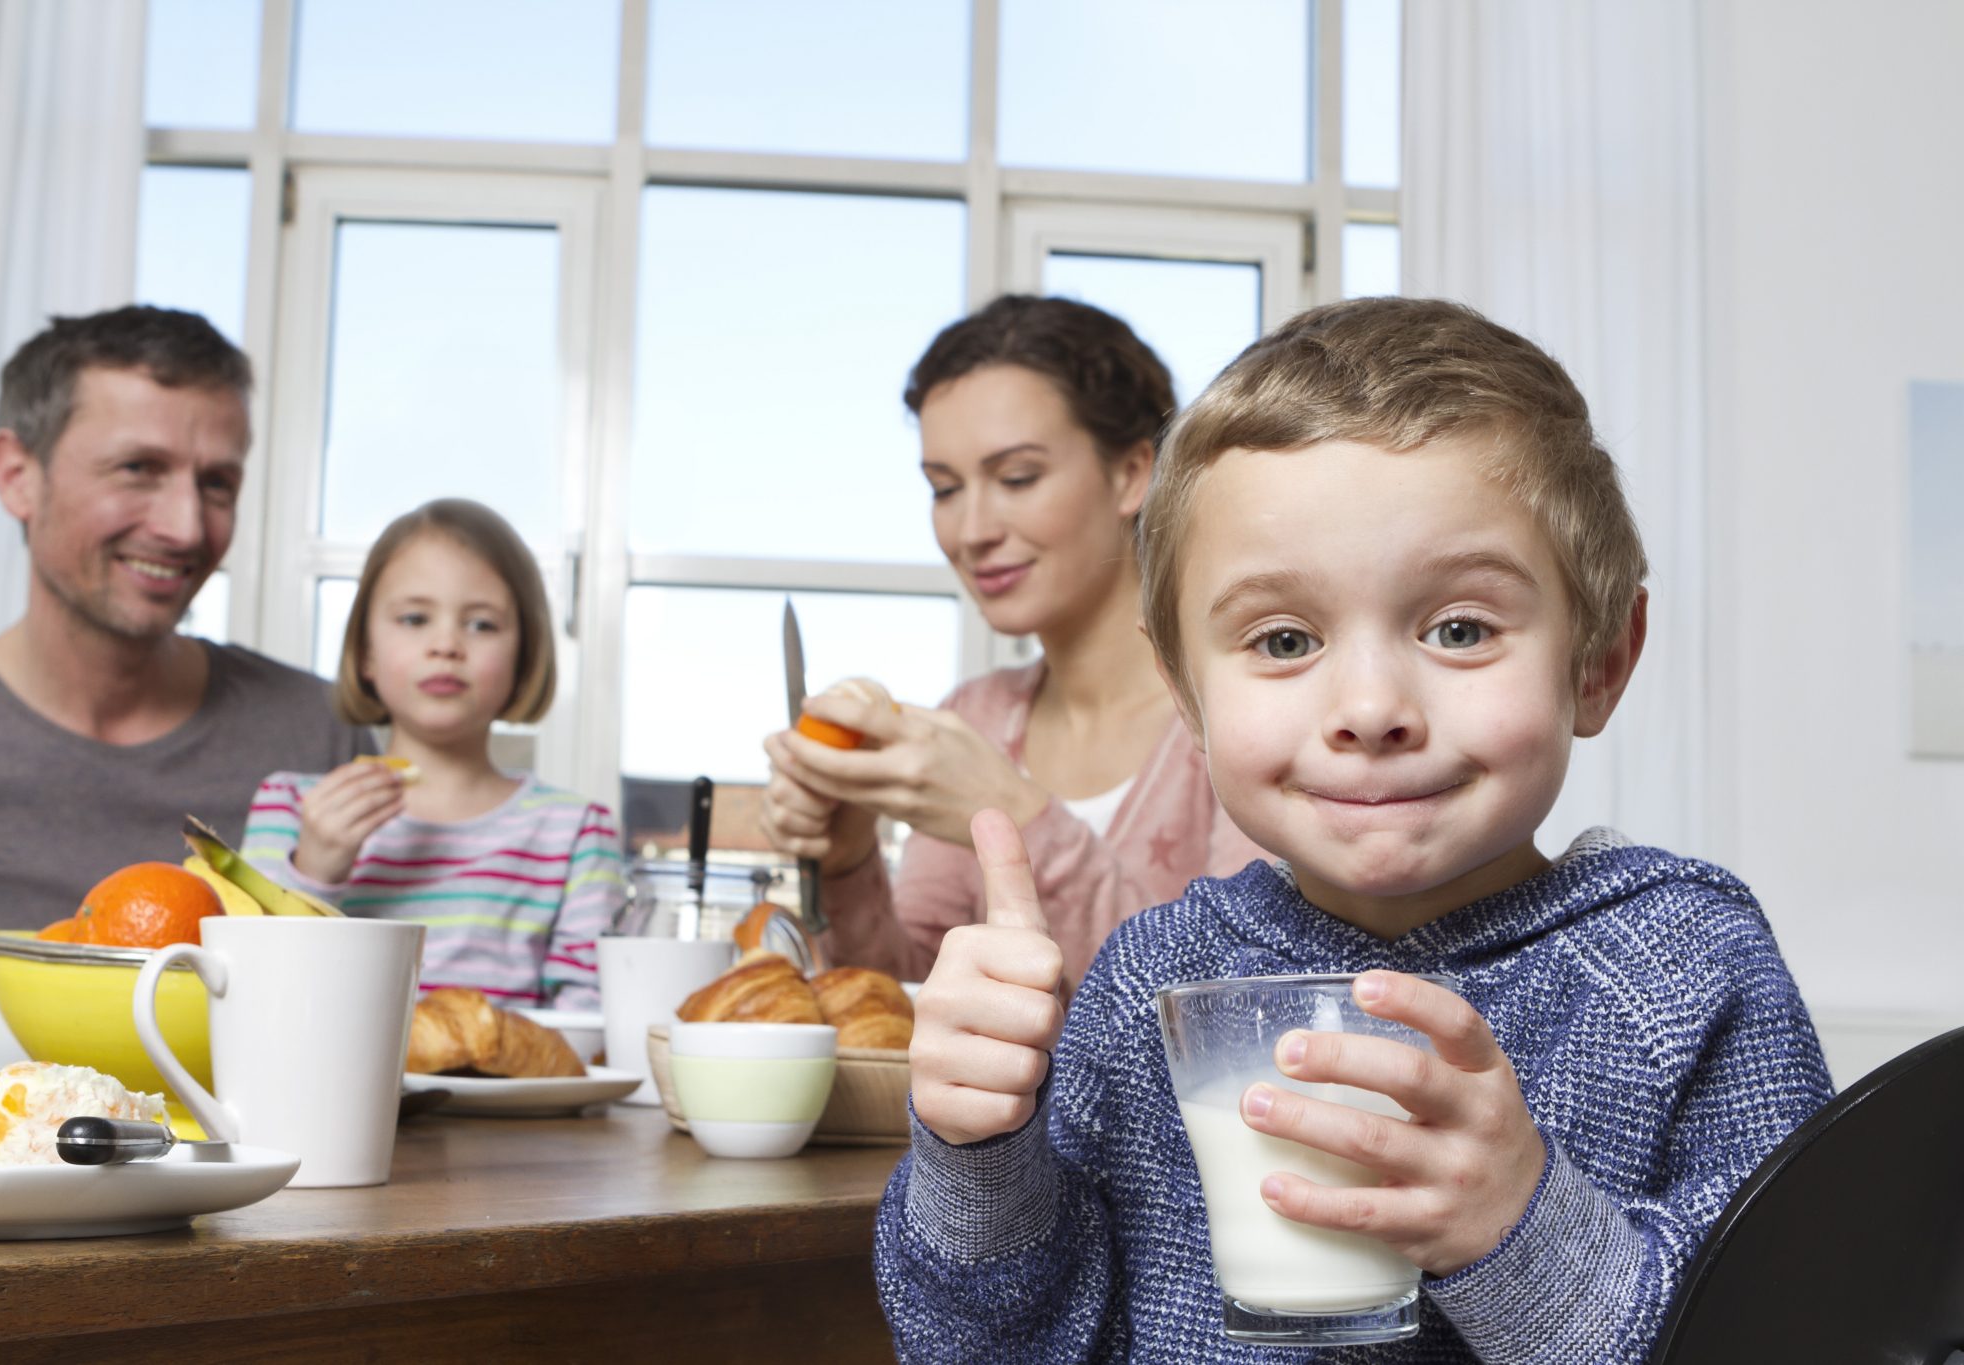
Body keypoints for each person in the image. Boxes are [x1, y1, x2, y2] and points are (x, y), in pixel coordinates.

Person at [872, 298, 1834, 1362]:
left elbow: (1796, 1331)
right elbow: (990, 1347)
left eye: (1457, 629)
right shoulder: (1150, 978)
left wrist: (1521, 1228)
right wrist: (977, 1157)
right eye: (1283, 639)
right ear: (1187, 696)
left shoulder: (1682, 971)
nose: (1369, 706)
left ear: (1597, 660)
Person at [760, 295, 1265, 985]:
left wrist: (1015, 816)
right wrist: (848, 862)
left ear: (1131, 473)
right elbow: (916, 1000)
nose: (971, 530)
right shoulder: (975, 715)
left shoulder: (1243, 707)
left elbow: (1235, 996)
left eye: (1017, 477)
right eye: (943, 488)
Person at [0, 306, 374, 1037]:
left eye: (218, 483)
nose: (187, 527)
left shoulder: (319, 734)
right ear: (17, 477)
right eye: (139, 469)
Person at [239, 500, 623, 1009]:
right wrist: (315, 870)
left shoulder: (574, 831)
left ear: (524, 658)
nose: (446, 644)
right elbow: (248, 990)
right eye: (415, 618)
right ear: (366, 653)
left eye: (482, 625)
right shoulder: (288, 807)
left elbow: (589, 1016)